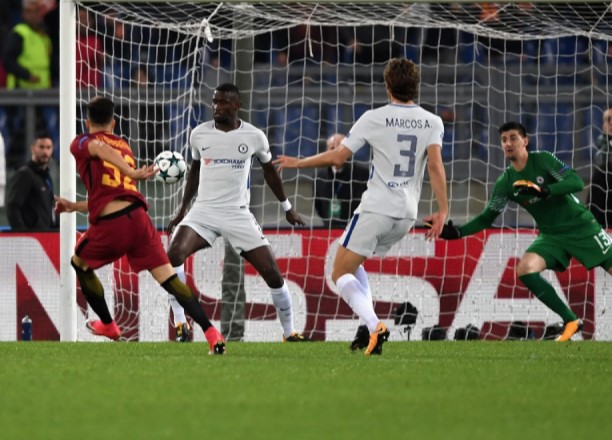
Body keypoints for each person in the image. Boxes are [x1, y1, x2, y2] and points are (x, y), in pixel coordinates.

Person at [274, 57, 449, 355]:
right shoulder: (433, 122)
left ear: (387, 86)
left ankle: (374, 325)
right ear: (416, 87)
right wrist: (443, 210)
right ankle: (369, 329)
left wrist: (298, 162)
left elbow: (338, 157)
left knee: (339, 273)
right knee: (353, 264)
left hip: (376, 208)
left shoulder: (374, 117)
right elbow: (435, 165)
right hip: (407, 214)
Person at [437, 121, 612, 342]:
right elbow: (487, 217)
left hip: (581, 227)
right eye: (504, 140)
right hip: (551, 235)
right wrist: (457, 233)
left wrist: (545, 190)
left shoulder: (543, 160)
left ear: (525, 141)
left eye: (513, 138)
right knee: (525, 270)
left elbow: (576, 182)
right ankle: (571, 320)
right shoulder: (505, 183)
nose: (508, 143)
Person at [55, 96, 226, 355]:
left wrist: (132, 173)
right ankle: (212, 333)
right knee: (169, 279)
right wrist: (74, 206)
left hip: (113, 225)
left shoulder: (82, 143)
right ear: (114, 122)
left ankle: (109, 325)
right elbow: (113, 194)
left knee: (79, 263)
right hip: (139, 220)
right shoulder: (124, 146)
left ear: (88, 122)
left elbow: (99, 148)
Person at [166, 83, 310, 343]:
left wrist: (287, 208)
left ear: (236, 105)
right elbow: (195, 172)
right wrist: (182, 211)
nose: (217, 107)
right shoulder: (199, 134)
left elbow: (269, 172)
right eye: (214, 101)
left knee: (273, 273)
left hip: (237, 213)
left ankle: (289, 332)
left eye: (223, 102)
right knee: (174, 254)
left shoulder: (254, 136)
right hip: (204, 211)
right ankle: (180, 322)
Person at [2, 0, 53, 168]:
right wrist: (26, 75)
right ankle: (12, 166)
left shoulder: (43, 35)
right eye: (32, 11)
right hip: (22, 94)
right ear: (24, 14)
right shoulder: (19, 33)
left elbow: (49, 63)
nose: (37, 15)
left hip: (43, 94)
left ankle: (46, 164)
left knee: (44, 132)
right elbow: (8, 60)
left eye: (38, 11)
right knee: (18, 133)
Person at [314, 133, 370, 228]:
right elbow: (318, 205)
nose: (336, 152)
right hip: (329, 229)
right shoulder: (320, 176)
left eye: (340, 148)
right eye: (332, 148)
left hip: (356, 228)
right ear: (326, 151)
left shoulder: (363, 174)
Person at [6, 132, 58, 231]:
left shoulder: (47, 177)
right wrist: (23, 235)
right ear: (33, 148)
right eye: (41, 147)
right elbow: (12, 207)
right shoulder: (24, 175)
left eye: (48, 147)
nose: (45, 152)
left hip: (47, 235)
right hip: (32, 237)